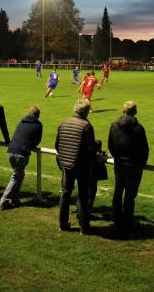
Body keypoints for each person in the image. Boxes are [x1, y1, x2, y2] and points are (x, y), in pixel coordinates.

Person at [55, 100, 98, 234]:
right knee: (83, 196)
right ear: (85, 111)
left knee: (65, 193)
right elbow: (91, 150)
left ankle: (62, 224)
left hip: (66, 165)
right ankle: (84, 226)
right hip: (81, 165)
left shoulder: (63, 123)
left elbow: (57, 145)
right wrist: (97, 146)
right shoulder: (86, 126)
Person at [108, 100, 149, 236]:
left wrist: (117, 157)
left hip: (119, 165)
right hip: (134, 166)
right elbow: (145, 149)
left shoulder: (114, 125)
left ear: (123, 110)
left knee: (118, 191)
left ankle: (117, 219)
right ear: (135, 112)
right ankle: (127, 221)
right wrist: (141, 163)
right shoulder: (138, 128)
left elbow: (110, 145)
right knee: (130, 196)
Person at [0, 105, 43, 210]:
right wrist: (30, 146)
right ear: (37, 115)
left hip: (10, 151)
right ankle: (4, 200)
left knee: (20, 174)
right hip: (21, 153)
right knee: (16, 176)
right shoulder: (38, 125)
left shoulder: (21, 122)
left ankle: (15, 199)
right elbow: (37, 141)